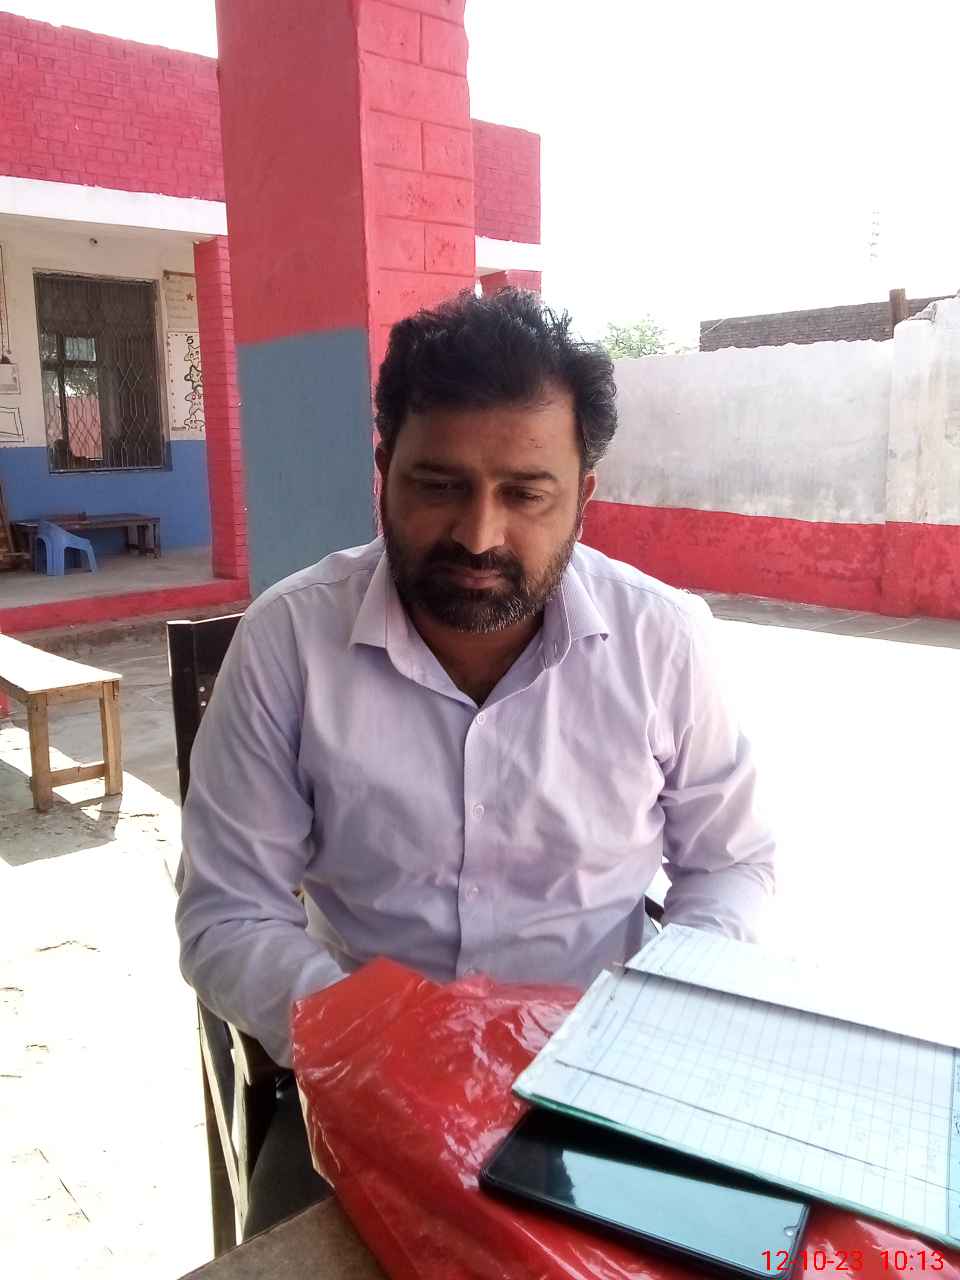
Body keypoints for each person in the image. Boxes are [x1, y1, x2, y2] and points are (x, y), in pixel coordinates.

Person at [175, 288, 775, 1235]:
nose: (479, 535)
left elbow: (732, 865)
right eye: (438, 485)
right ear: (384, 473)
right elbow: (227, 913)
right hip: (365, 1075)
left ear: (583, 497)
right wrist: (379, 1036)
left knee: (731, 1245)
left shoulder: (663, 643)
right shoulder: (289, 641)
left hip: (602, 1083)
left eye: (526, 493)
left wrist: (656, 1019)